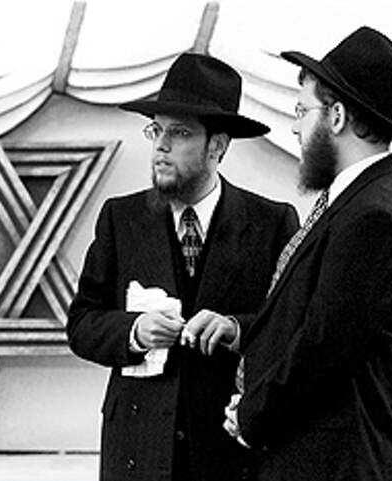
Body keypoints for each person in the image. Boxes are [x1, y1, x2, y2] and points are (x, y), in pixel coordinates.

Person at [187, 27, 392, 481]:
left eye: (302, 111)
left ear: (337, 116)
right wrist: (241, 330)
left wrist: (251, 415)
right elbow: (319, 316)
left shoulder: (374, 215)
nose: (294, 126)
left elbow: (325, 347)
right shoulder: (369, 198)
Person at [66, 53, 299, 481]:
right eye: (156, 130)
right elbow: (81, 324)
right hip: (137, 448)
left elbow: (291, 330)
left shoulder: (272, 223)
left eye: (179, 132)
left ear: (217, 146)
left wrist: (235, 329)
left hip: (227, 453)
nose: (161, 145)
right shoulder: (121, 218)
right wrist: (134, 331)